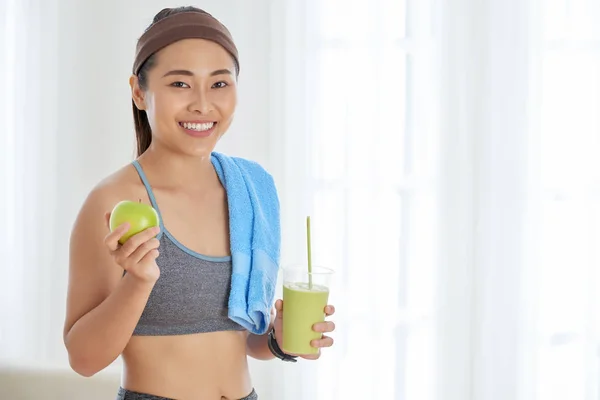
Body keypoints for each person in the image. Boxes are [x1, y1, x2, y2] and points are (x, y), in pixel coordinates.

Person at [62, 6, 336, 400]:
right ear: (139, 92)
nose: (203, 105)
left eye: (220, 84)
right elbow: (83, 359)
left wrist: (279, 336)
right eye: (180, 84)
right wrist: (138, 282)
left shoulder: (250, 192)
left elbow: (245, 340)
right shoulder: (115, 201)